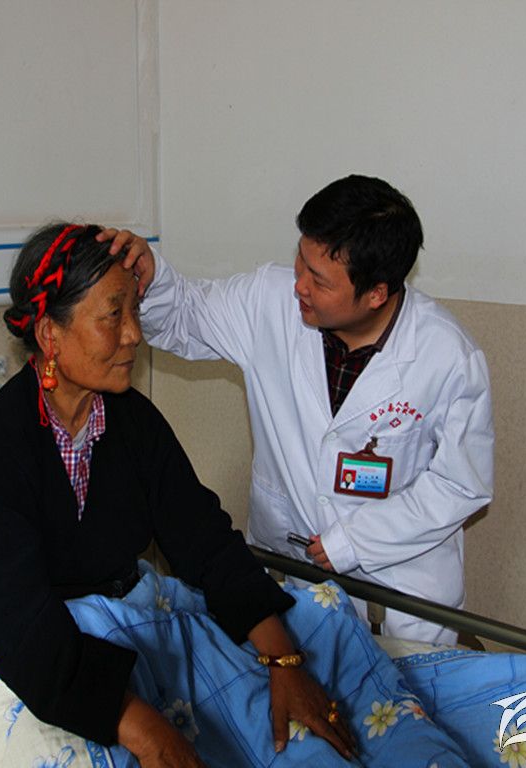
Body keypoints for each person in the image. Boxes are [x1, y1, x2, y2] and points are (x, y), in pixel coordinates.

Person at [0, 223, 357, 768]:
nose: (134, 334)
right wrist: (148, 731)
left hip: (120, 631)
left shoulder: (132, 422)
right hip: (30, 665)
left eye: (134, 310)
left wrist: (284, 660)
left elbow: (203, 539)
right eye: (114, 315)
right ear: (49, 335)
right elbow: (25, 632)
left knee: (307, 689)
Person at [128, 175, 495, 645]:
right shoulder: (269, 302)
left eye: (319, 280)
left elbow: (462, 484)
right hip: (292, 569)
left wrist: (356, 541)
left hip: (399, 589)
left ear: (376, 293)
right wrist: (150, 276)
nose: (299, 285)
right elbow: (183, 315)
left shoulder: (448, 357)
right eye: (301, 261)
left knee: (399, 688)